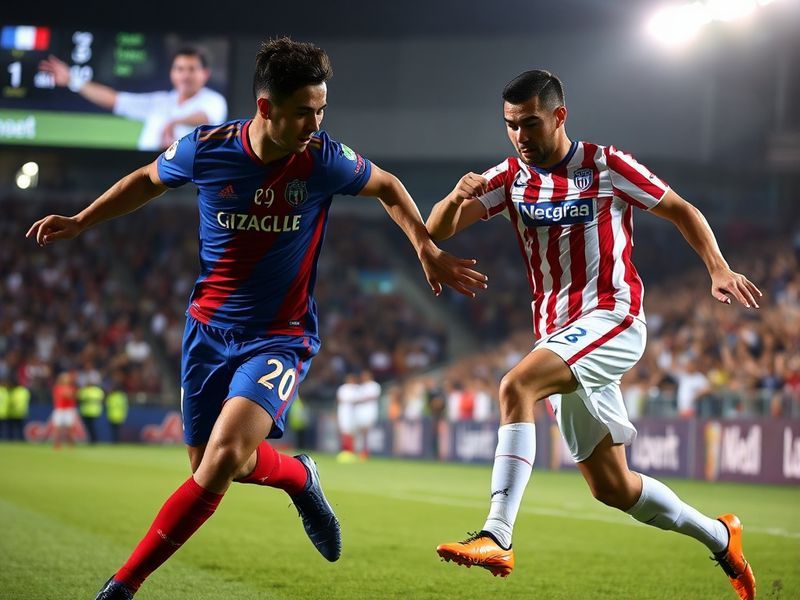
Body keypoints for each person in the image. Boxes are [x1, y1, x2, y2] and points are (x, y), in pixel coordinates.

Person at [27, 37, 486, 600]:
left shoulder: (321, 159)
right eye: (303, 112)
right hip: (206, 330)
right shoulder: (206, 148)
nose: (315, 123)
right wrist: (80, 220)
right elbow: (146, 180)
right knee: (218, 463)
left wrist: (423, 244)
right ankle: (300, 476)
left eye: (321, 110)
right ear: (266, 108)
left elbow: (387, 185)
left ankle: (123, 584)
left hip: (280, 336)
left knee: (219, 462)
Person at [427, 70, 758, 600]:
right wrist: (453, 195)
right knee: (613, 487)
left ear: (559, 116)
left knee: (516, 386)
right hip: (559, 333)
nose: (519, 136)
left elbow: (681, 209)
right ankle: (722, 537)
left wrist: (717, 268)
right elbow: (439, 228)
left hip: (614, 317)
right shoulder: (511, 175)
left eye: (529, 123)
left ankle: (497, 534)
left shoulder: (606, 164)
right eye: (511, 125)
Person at [39, 47, 227, 151]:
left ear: (205, 74)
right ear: (172, 73)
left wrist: (173, 122)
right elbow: (114, 100)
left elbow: (206, 117)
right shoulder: (159, 101)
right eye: (180, 69)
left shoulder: (213, 100)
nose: (185, 75)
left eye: (192, 69)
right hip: (148, 171)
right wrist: (73, 80)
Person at [51, 371, 78, 449]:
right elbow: (63, 396)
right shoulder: (57, 388)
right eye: (65, 378)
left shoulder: (72, 388)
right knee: (57, 429)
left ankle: (71, 446)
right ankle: (57, 445)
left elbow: (71, 396)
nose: (66, 379)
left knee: (70, 429)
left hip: (69, 410)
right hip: (59, 410)